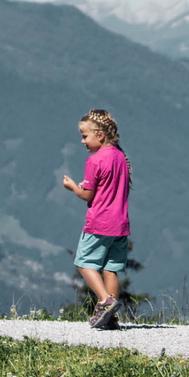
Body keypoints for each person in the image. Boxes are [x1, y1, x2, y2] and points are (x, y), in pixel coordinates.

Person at [61, 109, 132, 330]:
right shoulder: (120, 157)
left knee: (83, 262)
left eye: (85, 136)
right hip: (120, 224)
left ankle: (105, 300)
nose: (82, 141)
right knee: (111, 269)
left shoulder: (95, 160)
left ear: (100, 135)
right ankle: (110, 318)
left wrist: (73, 187)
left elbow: (88, 195)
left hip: (100, 222)